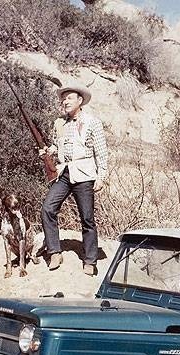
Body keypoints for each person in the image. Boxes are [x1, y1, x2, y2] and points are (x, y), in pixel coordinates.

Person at [39, 84, 108, 276]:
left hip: (85, 174)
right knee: (48, 208)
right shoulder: (59, 123)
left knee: (87, 218)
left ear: (80, 101)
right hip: (64, 173)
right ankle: (54, 252)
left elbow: (101, 152)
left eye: (69, 98)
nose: (65, 101)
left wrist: (101, 176)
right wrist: (47, 152)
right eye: (63, 98)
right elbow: (56, 145)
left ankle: (90, 260)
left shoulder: (93, 122)